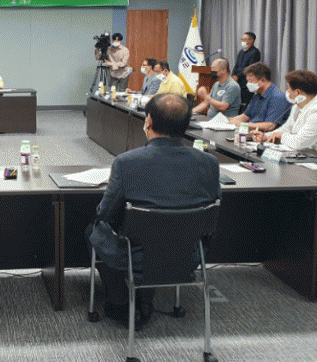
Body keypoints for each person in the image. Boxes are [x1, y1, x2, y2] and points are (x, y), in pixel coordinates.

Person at [86, 93, 220, 330]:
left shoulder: (127, 162)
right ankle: (145, 300)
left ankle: (120, 302)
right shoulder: (209, 163)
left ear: (148, 121)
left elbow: (105, 214)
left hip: (136, 255)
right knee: (161, 233)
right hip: (187, 254)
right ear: (187, 126)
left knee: (93, 231)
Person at [252, 70, 317, 157]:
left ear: (298, 92)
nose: (286, 91)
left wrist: (281, 136)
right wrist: (266, 136)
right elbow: (287, 128)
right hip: (309, 156)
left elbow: (299, 143)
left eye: (288, 88)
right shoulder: (297, 106)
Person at [228, 62, 291, 132]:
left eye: (251, 81)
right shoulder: (257, 95)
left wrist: (242, 124)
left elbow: (270, 125)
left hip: (266, 135)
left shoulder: (277, 97)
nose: (248, 84)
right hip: (253, 132)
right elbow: (246, 116)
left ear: (263, 80)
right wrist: (230, 121)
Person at [231, 31, 262, 105]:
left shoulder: (255, 52)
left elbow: (250, 68)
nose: (243, 41)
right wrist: (233, 75)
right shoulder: (241, 52)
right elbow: (236, 65)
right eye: (242, 39)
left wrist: (237, 76)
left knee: (245, 104)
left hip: (247, 83)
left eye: (245, 39)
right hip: (237, 82)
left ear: (251, 41)